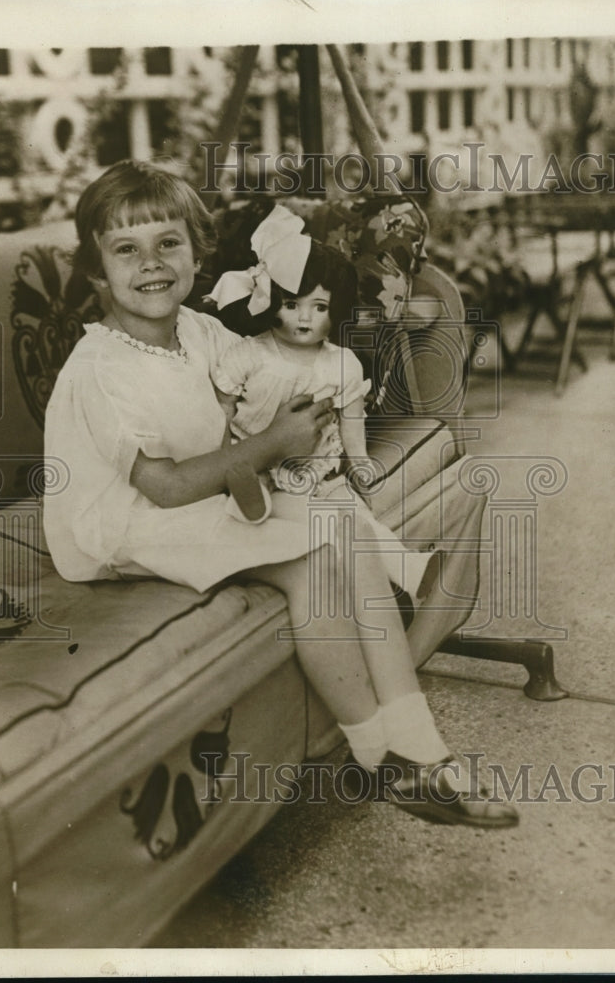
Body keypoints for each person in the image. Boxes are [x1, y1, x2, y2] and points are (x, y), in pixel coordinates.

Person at [43, 158, 517, 829]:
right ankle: (378, 756)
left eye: (168, 243)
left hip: (202, 494)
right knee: (312, 563)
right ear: (96, 273)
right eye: (126, 250)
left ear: (197, 254)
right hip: (123, 525)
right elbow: (168, 486)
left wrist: (310, 390)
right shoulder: (100, 369)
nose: (151, 264)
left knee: (339, 526)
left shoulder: (199, 332)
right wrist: (271, 447)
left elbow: (244, 402)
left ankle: (419, 750)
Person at [208, 205, 435, 601]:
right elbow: (222, 406)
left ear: (337, 310)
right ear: (270, 300)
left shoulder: (341, 364)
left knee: (359, 520)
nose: (304, 319)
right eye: (292, 305)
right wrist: (218, 452)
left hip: (318, 471)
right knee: (299, 509)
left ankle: (411, 573)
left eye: (320, 308)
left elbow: (351, 417)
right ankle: (250, 501)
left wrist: (360, 461)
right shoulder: (249, 354)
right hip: (253, 459)